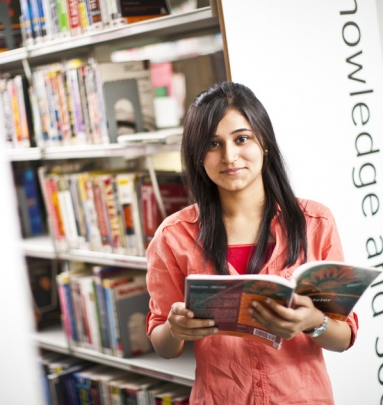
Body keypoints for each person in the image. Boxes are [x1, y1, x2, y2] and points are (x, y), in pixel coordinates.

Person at [145, 82, 357, 404]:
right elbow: (163, 346)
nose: (229, 156)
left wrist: (314, 321)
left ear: (264, 143)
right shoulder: (174, 236)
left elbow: (342, 339)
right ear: (197, 156)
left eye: (241, 139)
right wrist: (175, 329)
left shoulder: (316, 223)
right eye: (213, 144)